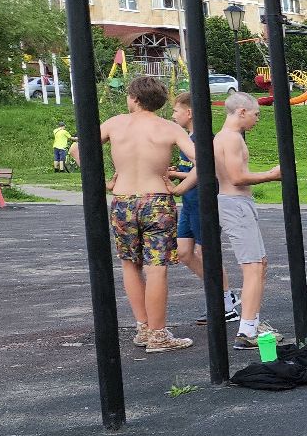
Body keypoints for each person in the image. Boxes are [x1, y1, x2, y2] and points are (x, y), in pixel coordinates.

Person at [85, 76, 193, 353]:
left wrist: (103, 182)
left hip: (122, 199)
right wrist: (181, 187)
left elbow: (78, 148)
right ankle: (158, 335)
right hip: (157, 199)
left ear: (133, 98)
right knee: (156, 269)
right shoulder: (168, 127)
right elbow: (205, 158)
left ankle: (143, 327)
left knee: (129, 264)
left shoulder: (115, 124)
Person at [214, 92, 285, 349]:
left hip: (236, 203)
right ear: (242, 112)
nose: (257, 119)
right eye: (256, 114)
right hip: (235, 204)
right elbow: (236, 177)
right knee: (253, 267)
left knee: (260, 264)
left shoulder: (223, 137)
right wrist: (272, 174)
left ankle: (252, 322)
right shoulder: (231, 139)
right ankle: (247, 331)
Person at [168, 93, 239, 326]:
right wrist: (174, 173)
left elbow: (204, 171)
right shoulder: (187, 138)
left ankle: (226, 301)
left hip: (203, 201)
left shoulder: (202, 139)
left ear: (189, 113)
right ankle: (219, 294)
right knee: (184, 252)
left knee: (207, 252)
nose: (173, 115)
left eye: (176, 110)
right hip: (189, 203)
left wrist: (176, 187)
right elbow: (192, 170)